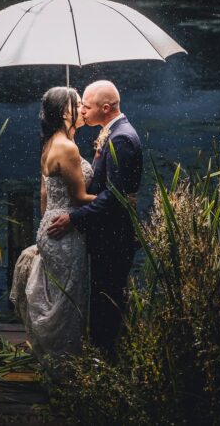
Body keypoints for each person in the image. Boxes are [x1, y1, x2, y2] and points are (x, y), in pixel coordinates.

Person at [48, 80, 143, 358]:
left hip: (114, 238)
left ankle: (107, 367)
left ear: (105, 108)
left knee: (108, 305)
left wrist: (74, 219)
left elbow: (113, 197)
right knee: (102, 302)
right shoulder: (110, 133)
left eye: (86, 107)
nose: (82, 111)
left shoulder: (121, 138)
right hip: (105, 236)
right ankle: (102, 362)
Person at [10, 86, 95, 366]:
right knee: (69, 299)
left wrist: (46, 228)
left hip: (50, 225)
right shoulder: (67, 147)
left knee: (58, 294)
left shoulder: (50, 143)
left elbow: (45, 195)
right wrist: (117, 199)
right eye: (78, 104)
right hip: (65, 230)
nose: (83, 109)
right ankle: (65, 367)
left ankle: (53, 361)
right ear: (65, 111)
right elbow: (81, 198)